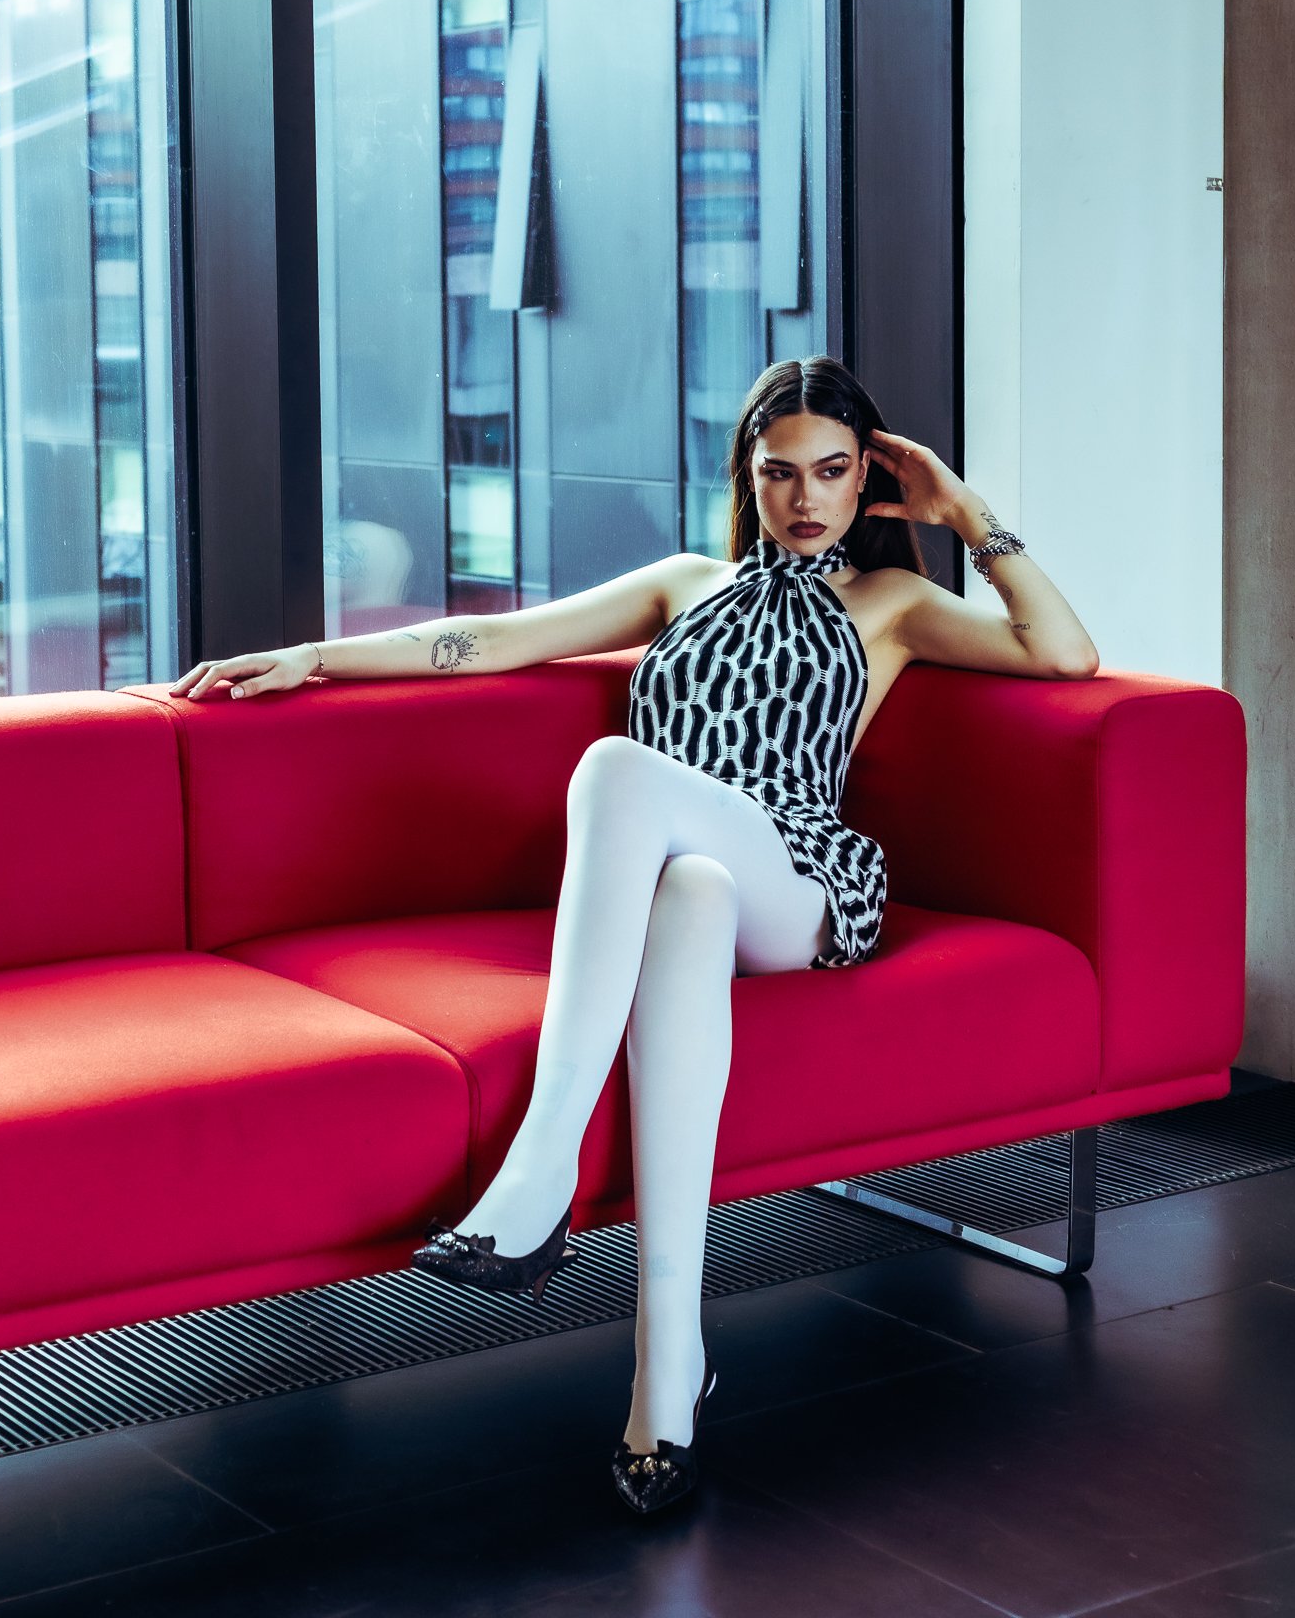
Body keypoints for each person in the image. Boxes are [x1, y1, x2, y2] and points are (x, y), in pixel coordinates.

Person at [170, 354, 1099, 1515]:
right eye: (780, 474)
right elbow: (489, 639)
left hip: (805, 878)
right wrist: (314, 657)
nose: (805, 498)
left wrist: (963, 510)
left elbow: (1065, 654)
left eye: (833, 472)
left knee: (619, 768)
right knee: (690, 889)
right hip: (697, 886)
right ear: (747, 480)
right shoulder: (682, 585)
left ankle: (539, 1168)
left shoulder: (894, 607)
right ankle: (670, 1368)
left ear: (869, 481)